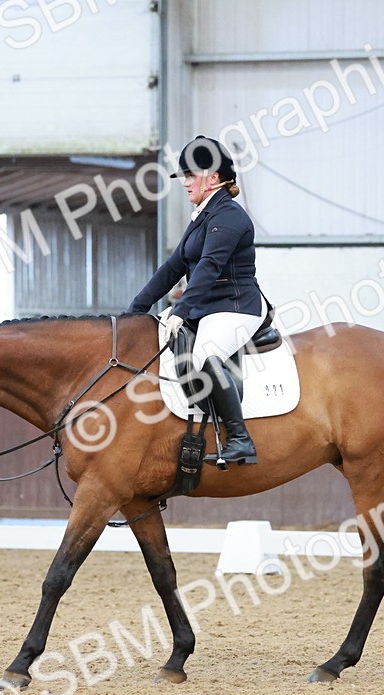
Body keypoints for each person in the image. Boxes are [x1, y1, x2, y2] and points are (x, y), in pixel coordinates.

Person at [126, 135, 267, 466]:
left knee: (204, 354)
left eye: (190, 175)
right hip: (208, 306)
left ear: (213, 177)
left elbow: (209, 267)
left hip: (236, 307)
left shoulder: (229, 216)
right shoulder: (203, 216)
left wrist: (181, 310)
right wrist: (136, 309)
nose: (184, 182)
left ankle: (241, 439)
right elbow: (173, 267)